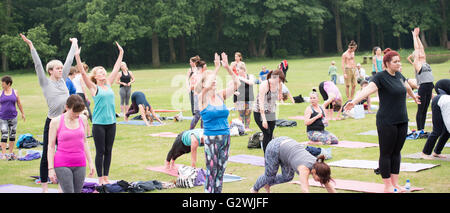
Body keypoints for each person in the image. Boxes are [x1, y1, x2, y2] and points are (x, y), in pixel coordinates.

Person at [344, 48, 420, 193]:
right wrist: (353, 101)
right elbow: (367, 90)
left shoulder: (398, 75)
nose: (398, 64)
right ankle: (387, 186)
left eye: (399, 61)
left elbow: (407, 86)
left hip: (402, 120)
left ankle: (396, 184)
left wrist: (414, 96)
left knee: (397, 152)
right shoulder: (380, 77)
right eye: (395, 62)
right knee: (386, 153)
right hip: (387, 121)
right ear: (387, 63)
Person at [21, 33, 77, 193]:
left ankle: (61, 186)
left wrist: (74, 44)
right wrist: (31, 46)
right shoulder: (45, 82)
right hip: (52, 122)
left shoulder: (63, 79)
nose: (61, 70)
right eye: (57, 69)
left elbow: (69, 61)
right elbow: (38, 65)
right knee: (47, 154)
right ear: (50, 71)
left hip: (66, 121)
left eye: (61, 68)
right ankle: (44, 188)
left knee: (63, 154)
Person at [75, 42, 123, 185]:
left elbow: (116, 68)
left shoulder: (108, 84)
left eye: (104, 71)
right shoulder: (94, 87)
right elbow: (83, 73)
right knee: (100, 151)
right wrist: (77, 55)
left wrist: (121, 53)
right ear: (95, 76)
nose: (103, 73)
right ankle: (100, 178)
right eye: (100, 72)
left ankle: (106, 177)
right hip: (99, 124)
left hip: (111, 123)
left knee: (109, 150)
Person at [196, 52, 240, 193]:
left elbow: (237, 83)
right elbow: (207, 85)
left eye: (215, 79)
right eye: (210, 80)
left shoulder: (220, 95)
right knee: (212, 171)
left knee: (221, 171)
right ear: (203, 83)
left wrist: (227, 67)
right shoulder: (201, 98)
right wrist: (215, 69)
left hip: (225, 137)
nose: (214, 81)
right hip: (211, 138)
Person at [250, 136, 336, 193]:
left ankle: (267, 184)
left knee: (287, 177)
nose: (320, 181)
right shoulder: (304, 169)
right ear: (314, 171)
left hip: (287, 150)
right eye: (320, 179)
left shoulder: (320, 166)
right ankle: (254, 189)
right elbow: (305, 189)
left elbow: (329, 186)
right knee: (270, 175)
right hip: (275, 147)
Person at [47, 95, 95, 193]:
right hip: (62, 163)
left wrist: (90, 162)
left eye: (79, 112)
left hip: (80, 162)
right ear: (67, 107)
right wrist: (50, 168)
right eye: (74, 112)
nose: (77, 115)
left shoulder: (83, 119)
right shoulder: (55, 122)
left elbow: (84, 142)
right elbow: (51, 146)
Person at [253, 69, 285, 153]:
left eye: (281, 80)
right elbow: (261, 103)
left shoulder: (279, 84)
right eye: (279, 79)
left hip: (271, 112)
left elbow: (278, 97)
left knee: (270, 134)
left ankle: (270, 154)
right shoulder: (264, 85)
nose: (280, 81)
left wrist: (281, 97)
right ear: (274, 77)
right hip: (259, 112)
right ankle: (266, 155)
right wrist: (264, 119)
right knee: (266, 133)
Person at [412, 27, 434, 136]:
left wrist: (418, 36)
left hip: (430, 86)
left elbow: (421, 47)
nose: (421, 53)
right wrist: (414, 37)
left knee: (425, 109)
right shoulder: (416, 62)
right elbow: (417, 49)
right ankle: (419, 130)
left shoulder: (424, 61)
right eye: (419, 54)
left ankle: (422, 130)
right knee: (421, 109)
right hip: (423, 87)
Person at [0, 76, 25, 160]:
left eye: (3, 84)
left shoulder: (15, 92)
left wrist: (22, 113)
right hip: (3, 117)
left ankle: (10, 152)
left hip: (13, 117)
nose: (2, 85)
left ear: (8, 84)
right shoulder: (0, 93)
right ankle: (3, 154)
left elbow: (19, 103)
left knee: (12, 135)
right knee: (4, 135)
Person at [421, 93, 450, 159]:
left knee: (446, 131)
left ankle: (437, 152)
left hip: (444, 104)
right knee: (437, 130)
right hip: (437, 102)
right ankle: (425, 153)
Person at [233, 63, 255, 132]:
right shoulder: (236, 77)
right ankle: (242, 129)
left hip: (250, 98)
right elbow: (232, 88)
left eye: (238, 70)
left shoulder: (250, 76)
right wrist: (235, 93)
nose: (237, 71)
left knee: (248, 114)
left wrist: (241, 78)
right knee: (241, 115)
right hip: (240, 99)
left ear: (243, 69)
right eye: (237, 70)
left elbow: (251, 83)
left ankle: (247, 128)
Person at [187, 56, 205, 130]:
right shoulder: (197, 75)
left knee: (203, 114)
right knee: (198, 115)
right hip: (198, 96)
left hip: (202, 96)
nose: (205, 69)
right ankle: (190, 131)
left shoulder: (198, 74)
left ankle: (203, 131)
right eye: (204, 67)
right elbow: (192, 86)